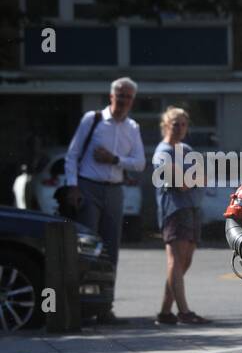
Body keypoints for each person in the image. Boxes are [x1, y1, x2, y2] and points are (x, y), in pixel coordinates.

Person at [64, 77, 147, 324]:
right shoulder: (93, 120)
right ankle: (79, 306)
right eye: (120, 95)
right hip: (88, 188)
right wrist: (73, 187)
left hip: (114, 190)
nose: (123, 101)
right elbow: (72, 156)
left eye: (128, 97)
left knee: (111, 250)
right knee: (87, 248)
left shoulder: (132, 127)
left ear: (133, 101)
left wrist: (114, 160)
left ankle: (104, 307)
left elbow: (140, 163)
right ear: (111, 96)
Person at [151, 107, 210, 325]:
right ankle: (183, 312)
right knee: (175, 261)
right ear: (166, 125)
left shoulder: (185, 149)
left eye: (184, 124)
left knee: (185, 262)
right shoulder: (162, 153)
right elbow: (182, 184)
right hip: (174, 210)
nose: (180, 128)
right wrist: (191, 177)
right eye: (176, 123)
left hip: (192, 209)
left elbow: (202, 177)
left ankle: (165, 312)